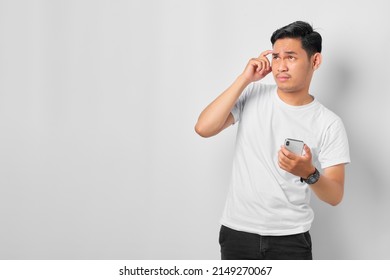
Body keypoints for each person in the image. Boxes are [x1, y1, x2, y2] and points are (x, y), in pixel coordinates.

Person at [194, 21, 350, 260]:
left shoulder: (328, 123)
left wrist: (309, 172)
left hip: (291, 239)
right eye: (276, 57)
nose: (280, 66)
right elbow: (204, 128)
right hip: (238, 233)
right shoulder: (252, 95)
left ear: (315, 61)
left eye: (290, 57)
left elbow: (335, 195)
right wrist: (244, 79)